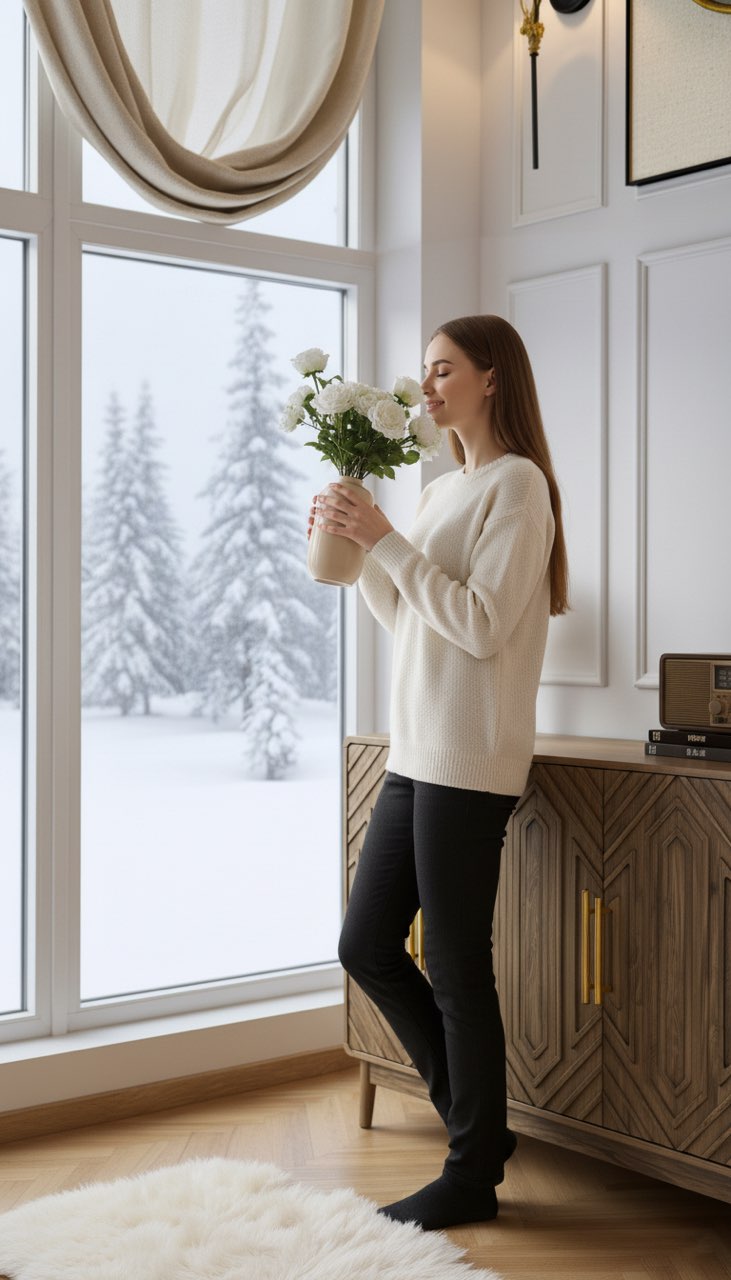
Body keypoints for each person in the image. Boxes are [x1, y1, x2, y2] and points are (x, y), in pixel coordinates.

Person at [307, 314, 569, 1232]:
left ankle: (470, 1174)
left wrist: (386, 541)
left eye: (442, 369)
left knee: (456, 967)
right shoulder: (443, 489)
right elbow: (417, 621)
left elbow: (481, 624)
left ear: (491, 376)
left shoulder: (518, 486)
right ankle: (478, 1126)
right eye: (424, 371)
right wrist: (358, 545)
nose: (426, 386)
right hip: (416, 751)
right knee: (366, 945)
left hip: (469, 757)